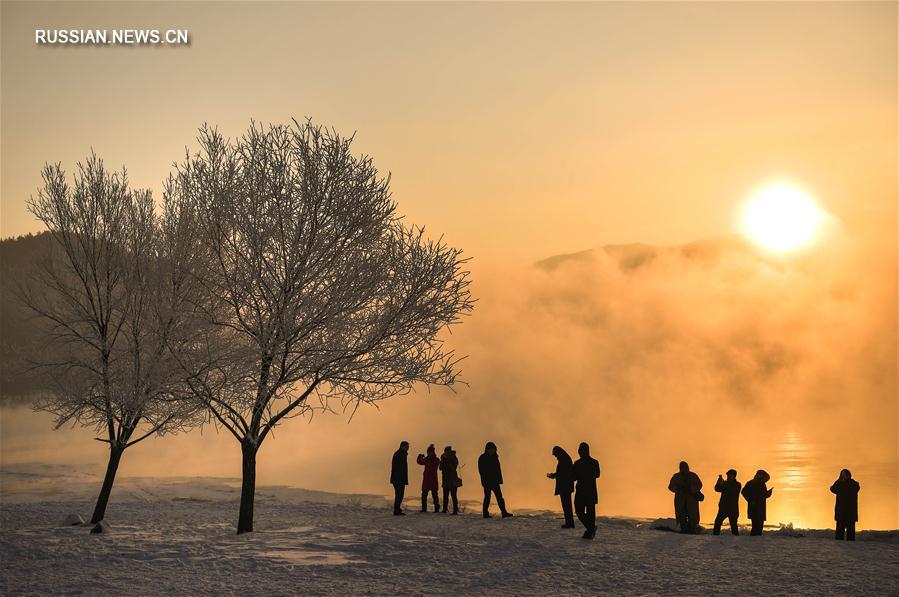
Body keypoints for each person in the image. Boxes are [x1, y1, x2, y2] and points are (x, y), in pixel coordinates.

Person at [571, 442, 601, 539]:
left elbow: (573, 477)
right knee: (589, 512)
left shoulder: (578, 463)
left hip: (582, 491)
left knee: (580, 511)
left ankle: (590, 530)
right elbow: (597, 474)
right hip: (590, 490)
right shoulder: (594, 462)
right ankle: (591, 528)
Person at [478, 441, 512, 518]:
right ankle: (485, 513)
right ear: (488, 449)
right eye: (492, 449)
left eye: (494, 449)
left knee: (499, 497)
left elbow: (498, 470)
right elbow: (482, 471)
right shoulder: (483, 458)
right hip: (487, 481)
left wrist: (499, 479)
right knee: (487, 497)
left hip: (494, 481)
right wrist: (485, 480)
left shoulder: (495, 457)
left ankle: (504, 512)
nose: (493, 450)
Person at [668, 461, 703, 534]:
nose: (684, 469)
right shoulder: (676, 476)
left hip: (691, 500)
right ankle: (684, 529)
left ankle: (691, 529)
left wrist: (691, 488)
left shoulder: (693, 476)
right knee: (681, 515)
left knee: (693, 516)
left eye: (685, 467)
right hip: (680, 500)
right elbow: (671, 486)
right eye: (682, 468)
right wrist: (679, 489)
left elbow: (699, 485)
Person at [547, 446, 575, 528]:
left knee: (566, 505)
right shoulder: (565, 459)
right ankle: (570, 522)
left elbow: (562, 473)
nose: (555, 457)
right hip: (566, 486)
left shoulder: (564, 460)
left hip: (565, 486)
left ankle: (569, 523)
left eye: (555, 455)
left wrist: (553, 475)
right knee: (567, 505)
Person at [830, 469, 860, 541]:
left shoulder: (854, 484)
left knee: (851, 536)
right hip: (841, 513)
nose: (843, 477)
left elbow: (856, 488)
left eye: (845, 475)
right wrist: (839, 481)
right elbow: (832, 489)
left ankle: (851, 551)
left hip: (850, 513)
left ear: (849, 475)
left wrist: (841, 482)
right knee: (839, 536)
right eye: (842, 475)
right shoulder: (839, 484)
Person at [741, 469, 773, 536]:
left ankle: (755, 541)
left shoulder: (761, 484)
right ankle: (754, 541)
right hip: (755, 508)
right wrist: (751, 500)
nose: (765, 479)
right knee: (756, 526)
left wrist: (768, 493)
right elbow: (743, 492)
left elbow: (763, 495)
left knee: (758, 526)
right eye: (763, 477)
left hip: (759, 508)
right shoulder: (752, 483)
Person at [713, 469, 741, 536]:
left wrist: (723, 483)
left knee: (733, 524)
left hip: (732, 508)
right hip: (724, 507)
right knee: (717, 522)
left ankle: (736, 537)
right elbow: (717, 489)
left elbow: (730, 489)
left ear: (734, 476)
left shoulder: (737, 484)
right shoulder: (725, 483)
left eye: (729, 475)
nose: (728, 476)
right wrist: (719, 482)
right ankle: (715, 536)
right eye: (728, 475)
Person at [417, 444, 441, 513]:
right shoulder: (433, 459)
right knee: (425, 494)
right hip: (428, 479)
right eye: (428, 452)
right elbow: (419, 462)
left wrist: (420, 457)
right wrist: (419, 457)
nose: (429, 453)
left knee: (434, 494)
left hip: (431, 479)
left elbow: (420, 462)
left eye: (430, 452)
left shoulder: (433, 459)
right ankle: (425, 509)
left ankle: (436, 508)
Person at [439, 446, 461, 515]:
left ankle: (455, 511)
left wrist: (447, 460)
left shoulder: (454, 458)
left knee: (453, 496)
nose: (446, 453)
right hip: (446, 479)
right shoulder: (443, 458)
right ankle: (444, 509)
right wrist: (443, 460)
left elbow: (453, 467)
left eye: (447, 451)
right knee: (445, 496)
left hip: (452, 479)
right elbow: (440, 468)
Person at [390, 441, 409, 515]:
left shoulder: (400, 453)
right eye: (407, 446)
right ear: (402, 446)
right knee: (399, 495)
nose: (408, 448)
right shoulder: (400, 454)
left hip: (398, 478)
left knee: (399, 495)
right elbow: (399, 468)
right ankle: (396, 510)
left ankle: (397, 509)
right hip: (398, 479)